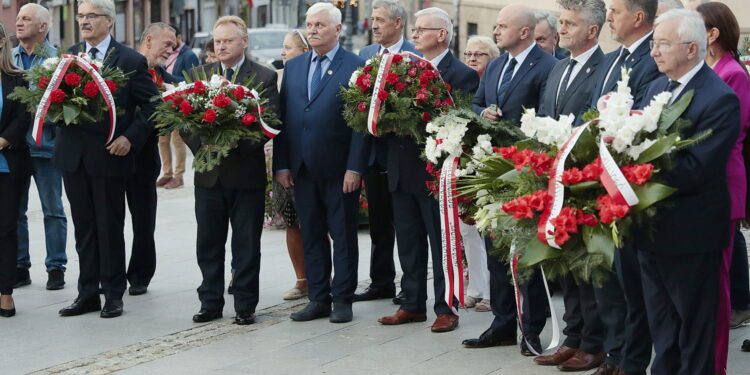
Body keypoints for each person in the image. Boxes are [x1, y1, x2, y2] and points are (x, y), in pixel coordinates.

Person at [637, 9, 740, 375]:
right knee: (662, 326)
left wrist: (637, 168)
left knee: (695, 329)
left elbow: (696, 168)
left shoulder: (720, 98)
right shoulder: (654, 88)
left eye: (663, 43)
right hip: (651, 230)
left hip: (692, 233)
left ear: (693, 48)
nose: (654, 51)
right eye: (653, 43)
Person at [376, 7, 478, 333]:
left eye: (422, 30)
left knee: (441, 242)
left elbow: (460, 123)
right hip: (402, 167)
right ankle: (412, 304)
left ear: (442, 34)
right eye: (415, 29)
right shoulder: (403, 68)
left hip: (436, 172)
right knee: (408, 241)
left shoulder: (461, 73)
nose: (415, 35)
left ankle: (446, 307)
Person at [57, 0, 160, 319]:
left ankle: (113, 293)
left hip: (110, 159)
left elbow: (154, 107)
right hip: (74, 157)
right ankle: (87, 292)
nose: (84, 21)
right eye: (81, 16)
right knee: (84, 228)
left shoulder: (130, 59)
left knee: (109, 226)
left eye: (91, 16)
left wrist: (131, 137)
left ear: (109, 22)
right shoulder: (68, 57)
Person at [468, 3, 556, 356]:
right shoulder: (496, 66)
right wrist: (483, 112)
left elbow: (548, 117)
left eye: (503, 25)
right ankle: (502, 322)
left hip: (526, 171)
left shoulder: (548, 66)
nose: (496, 30)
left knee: (525, 254)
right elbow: (475, 104)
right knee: (496, 250)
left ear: (524, 32)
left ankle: (531, 327)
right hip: (493, 170)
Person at [273, 2, 367, 324]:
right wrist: (282, 164)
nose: (312, 30)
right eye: (310, 25)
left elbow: (360, 122)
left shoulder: (355, 66)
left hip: (340, 170)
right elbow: (285, 118)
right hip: (301, 168)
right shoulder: (296, 66)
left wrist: (355, 167)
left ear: (338, 29)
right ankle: (318, 298)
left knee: (342, 235)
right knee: (311, 233)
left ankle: (342, 299)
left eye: (320, 25)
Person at [184, 16, 278, 326]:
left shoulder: (262, 76)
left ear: (244, 42)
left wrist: (232, 145)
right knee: (208, 243)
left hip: (244, 173)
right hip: (208, 174)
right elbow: (183, 120)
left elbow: (270, 123)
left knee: (246, 244)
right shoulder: (199, 75)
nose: (221, 46)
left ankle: (245, 304)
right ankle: (210, 301)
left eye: (228, 40)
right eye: (218, 41)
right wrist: (207, 147)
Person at [587, 1, 660, 374]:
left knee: (631, 282)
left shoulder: (653, 57)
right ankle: (616, 353)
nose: (608, 17)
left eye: (615, 10)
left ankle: (631, 359)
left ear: (638, 17)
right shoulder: (612, 57)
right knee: (610, 280)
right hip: (601, 183)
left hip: (630, 187)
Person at [534, 0, 607, 372]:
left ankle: (594, 342)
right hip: (554, 180)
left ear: (592, 31)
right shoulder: (559, 67)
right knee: (563, 262)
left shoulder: (606, 67)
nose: (560, 29)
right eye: (560, 22)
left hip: (585, 182)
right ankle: (573, 336)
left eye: (569, 23)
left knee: (585, 266)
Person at [696, 3, 750, 372]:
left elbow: (730, 135)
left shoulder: (732, 73)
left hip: (720, 185)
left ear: (712, 34)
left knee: (717, 288)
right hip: (702, 186)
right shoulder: (709, 70)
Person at [354, 0, 416, 305]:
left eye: (380, 19)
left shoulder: (414, 56)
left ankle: (410, 285)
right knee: (378, 224)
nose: (374, 25)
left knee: (406, 225)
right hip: (374, 154)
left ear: (398, 23)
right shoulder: (366, 55)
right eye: (372, 19)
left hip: (404, 155)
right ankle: (381, 281)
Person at [12, 3, 68, 291]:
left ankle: (56, 267)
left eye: (27, 19)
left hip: (47, 148)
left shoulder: (58, 61)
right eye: (19, 18)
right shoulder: (8, 59)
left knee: (53, 210)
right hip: (15, 149)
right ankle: (20, 266)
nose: (19, 23)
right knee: (15, 211)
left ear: (43, 27)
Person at [125, 22, 179, 297]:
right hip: (114, 154)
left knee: (144, 220)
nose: (171, 51)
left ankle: (140, 274)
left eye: (174, 47)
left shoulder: (164, 78)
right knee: (108, 218)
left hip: (145, 157)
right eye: (167, 44)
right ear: (148, 40)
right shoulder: (123, 66)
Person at [0, 21, 32, 318]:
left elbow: (24, 117)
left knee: (6, 229)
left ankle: (5, 292)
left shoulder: (17, 78)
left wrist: (3, 139)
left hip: (8, 163)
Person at [274, 29, 309, 301]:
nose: (283, 53)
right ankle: (301, 279)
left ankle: (324, 276)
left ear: (304, 51)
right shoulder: (277, 77)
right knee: (292, 221)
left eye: (288, 48)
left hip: (314, 163)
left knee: (318, 224)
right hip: (286, 162)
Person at [157, 26, 200, 190]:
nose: (169, 45)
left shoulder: (188, 55)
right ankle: (166, 173)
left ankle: (178, 175)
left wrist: (166, 78)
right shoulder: (167, 54)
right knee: (162, 139)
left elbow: (191, 79)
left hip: (180, 102)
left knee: (177, 140)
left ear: (179, 37)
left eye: (172, 41)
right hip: (164, 102)